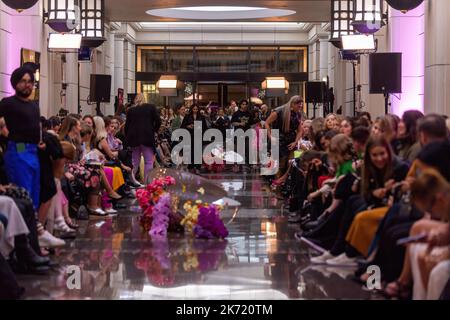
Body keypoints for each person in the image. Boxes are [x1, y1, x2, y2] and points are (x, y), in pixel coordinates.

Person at [0, 66, 42, 209]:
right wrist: (5, 131)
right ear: (15, 83)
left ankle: (34, 226)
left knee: (35, 192)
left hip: (34, 151)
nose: (27, 84)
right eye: (23, 81)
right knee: (23, 192)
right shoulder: (8, 103)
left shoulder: (34, 106)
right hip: (17, 150)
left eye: (30, 81)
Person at [125, 96, 161, 183]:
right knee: (148, 162)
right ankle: (147, 183)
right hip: (147, 137)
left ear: (135, 100)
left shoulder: (130, 110)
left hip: (134, 138)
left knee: (134, 162)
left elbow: (127, 126)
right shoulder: (151, 107)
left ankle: (131, 182)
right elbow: (158, 121)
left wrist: (128, 137)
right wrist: (154, 130)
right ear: (145, 99)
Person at [181, 104, 207, 173]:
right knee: (191, 152)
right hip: (190, 136)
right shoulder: (187, 116)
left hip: (198, 136)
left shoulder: (202, 117)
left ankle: (198, 168)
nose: (195, 110)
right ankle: (191, 167)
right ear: (191, 109)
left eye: (196, 109)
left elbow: (205, 127)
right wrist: (188, 126)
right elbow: (182, 126)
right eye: (194, 109)